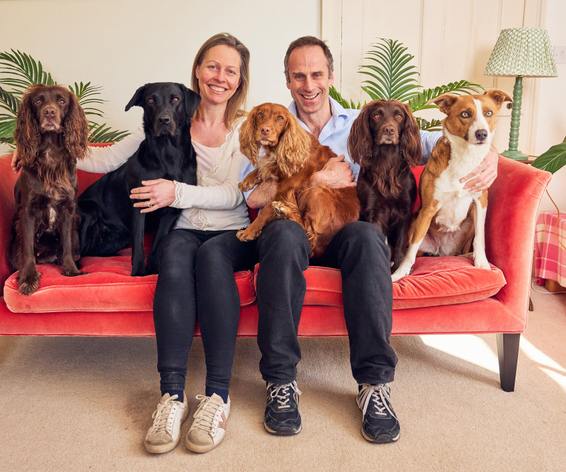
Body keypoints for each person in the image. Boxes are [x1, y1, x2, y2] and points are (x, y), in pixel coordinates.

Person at [202, 36, 499, 444]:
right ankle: (281, 382)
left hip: (342, 228)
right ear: (287, 81)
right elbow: (253, 195)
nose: (309, 85)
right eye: (298, 76)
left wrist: (493, 156)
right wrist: (316, 179)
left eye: (317, 74)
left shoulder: (361, 120)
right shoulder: (269, 123)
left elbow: (441, 141)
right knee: (283, 235)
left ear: (330, 76)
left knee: (366, 236)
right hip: (294, 227)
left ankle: (375, 384)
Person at [25, 33, 253, 454]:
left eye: (230, 70)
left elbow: (241, 193)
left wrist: (176, 193)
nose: (220, 76)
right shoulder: (154, 129)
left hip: (226, 229)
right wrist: (43, 147)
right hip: (183, 228)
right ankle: (172, 397)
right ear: (198, 73)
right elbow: (106, 160)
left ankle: (217, 396)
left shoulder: (245, 128)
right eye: (212, 66)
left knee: (214, 261)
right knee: (174, 263)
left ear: (240, 80)